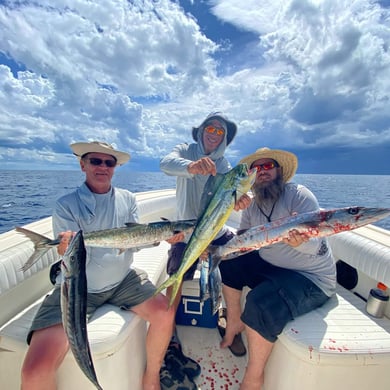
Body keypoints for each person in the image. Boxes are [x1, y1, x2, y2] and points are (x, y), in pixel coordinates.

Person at [20, 141, 176, 390]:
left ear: (115, 167)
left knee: (165, 313)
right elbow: (69, 256)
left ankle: (151, 376)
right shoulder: (66, 205)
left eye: (109, 162)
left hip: (124, 280)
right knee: (34, 371)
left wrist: (163, 236)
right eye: (95, 161)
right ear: (82, 165)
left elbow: (133, 242)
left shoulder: (127, 199)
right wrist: (63, 247)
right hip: (77, 288)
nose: (102, 167)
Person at [218, 147, 336, 390]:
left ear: (279, 171)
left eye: (267, 166)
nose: (262, 172)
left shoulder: (300, 196)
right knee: (228, 261)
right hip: (271, 263)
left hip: (310, 277)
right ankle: (233, 322)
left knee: (259, 303)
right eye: (257, 168)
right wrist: (223, 241)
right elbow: (245, 239)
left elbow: (318, 245)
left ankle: (253, 377)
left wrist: (302, 241)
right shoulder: (251, 203)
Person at [159, 112, 250, 382]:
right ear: (201, 131)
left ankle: (229, 322)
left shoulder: (225, 166)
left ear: (225, 138)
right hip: (186, 231)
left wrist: (242, 200)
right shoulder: (185, 151)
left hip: (215, 230)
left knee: (237, 262)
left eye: (220, 131)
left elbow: (235, 193)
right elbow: (165, 163)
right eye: (210, 128)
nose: (214, 133)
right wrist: (191, 167)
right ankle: (169, 335)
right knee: (175, 276)